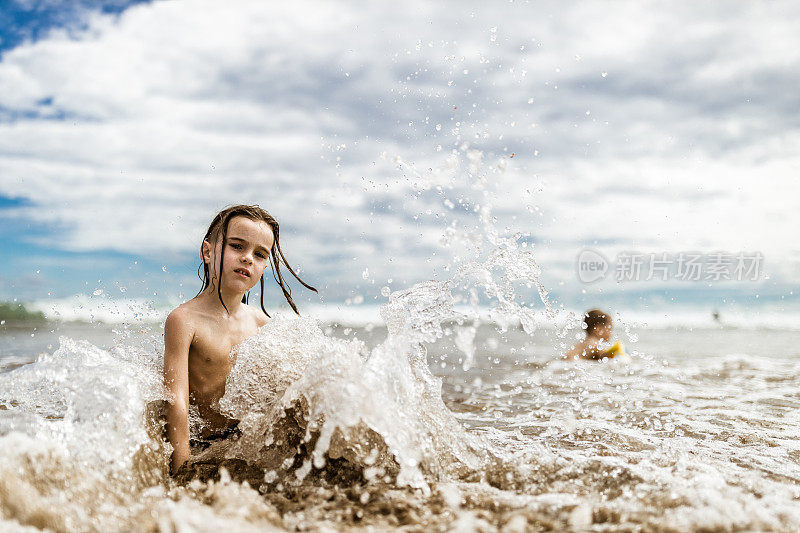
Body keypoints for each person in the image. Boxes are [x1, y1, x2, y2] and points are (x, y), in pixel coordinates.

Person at [162, 205, 316, 474]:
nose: (247, 259)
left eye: (259, 254)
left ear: (264, 266)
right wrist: (181, 470)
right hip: (204, 448)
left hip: (246, 447)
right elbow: (177, 402)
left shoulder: (262, 325)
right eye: (237, 246)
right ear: (207, 252)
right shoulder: (184, 320)